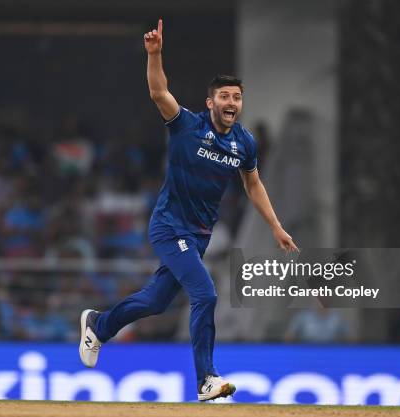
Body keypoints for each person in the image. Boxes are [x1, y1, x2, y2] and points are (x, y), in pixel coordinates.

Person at [79, 19, 298, 402]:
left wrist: (276, 226)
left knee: (155, 302)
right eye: (225, 97)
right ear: (211, 102)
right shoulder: (186, 126)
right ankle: (206, 379)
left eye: (237, 97)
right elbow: (158, 91)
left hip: (197, 235)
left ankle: (99, 325)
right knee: (206, 295)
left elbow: (253, 184)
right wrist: (155, 54)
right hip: (169, 227)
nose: (232, 103)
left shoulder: (244, 143)